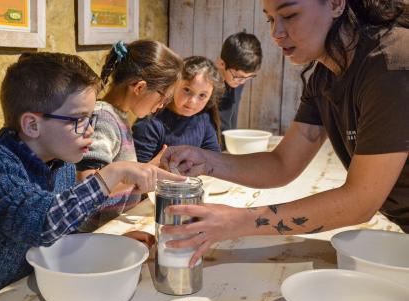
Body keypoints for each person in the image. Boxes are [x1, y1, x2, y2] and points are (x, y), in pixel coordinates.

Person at [0, 52, 183, 301]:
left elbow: (62, 233)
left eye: (91, 118)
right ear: (32, 124)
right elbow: (42, 224)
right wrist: (111, 174)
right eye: (79, 119)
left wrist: (114, 245)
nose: (90, 130)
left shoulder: (61, 164)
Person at [160, 0, 409, 267]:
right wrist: (207, 160)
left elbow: (361, 201)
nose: (276, 33)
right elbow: (282, 164)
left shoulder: (391, 62)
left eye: (289, 15)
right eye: (270, 19)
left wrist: (237, 221)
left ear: (336, 4)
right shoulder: (324, 76)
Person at [75, 40, 182, 227]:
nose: (160, 106)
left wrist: (148, 170)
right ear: (139, 87)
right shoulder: (103, 118)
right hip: (95, 233)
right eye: (163, 99)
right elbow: (88, 182)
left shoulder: (118, 116)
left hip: (113, 225)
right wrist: (145, 170)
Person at [132, 56, 224, 163]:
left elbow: (214, 160)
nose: (192, 101)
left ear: (210, 97)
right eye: (187, 90)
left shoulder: (203, 118)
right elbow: (137, 170)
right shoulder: (150, 122)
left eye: (202, 95)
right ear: (174, 84)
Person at [216, 31, 262, 140]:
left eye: (248, 77)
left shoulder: (236, 81)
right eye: (238, 76)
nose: (242, 82)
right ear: (221, 63)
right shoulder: (206, 86)